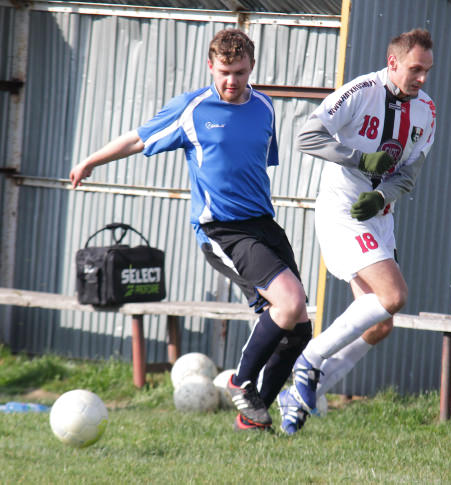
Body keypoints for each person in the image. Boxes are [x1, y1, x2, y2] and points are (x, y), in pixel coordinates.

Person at [69, 28, 312, 432]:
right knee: (288, 302)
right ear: (210, 67)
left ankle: (253, 420)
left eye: (238, 72)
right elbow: (138, 138)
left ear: (252, 67)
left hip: (263, 225)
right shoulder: (193, 109)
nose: (230, 81)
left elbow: (256, 165)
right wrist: (92, 161)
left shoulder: (265, 107)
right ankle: (240, 381)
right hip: (222, 230)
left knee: (298, 324)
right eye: (223, 72)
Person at [275, 28, 437, 434]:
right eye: (415, 69)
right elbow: (306, 136)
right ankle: (309, 360)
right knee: (394, 295)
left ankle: (297, 394)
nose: (421, 78)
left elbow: (408, 176)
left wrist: (382, 198)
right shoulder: (361, 91)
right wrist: (359, 160)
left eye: (427, 71)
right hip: (341, 211)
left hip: (378, 215)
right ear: (393, 62)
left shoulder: (427, 111)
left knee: (381, 322)